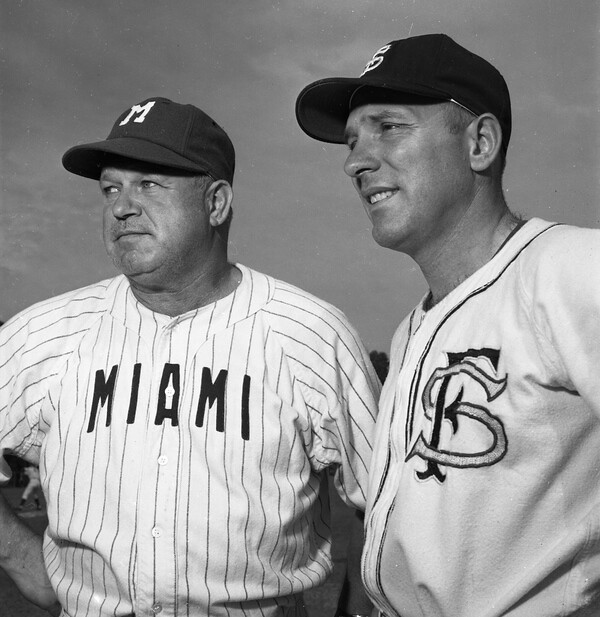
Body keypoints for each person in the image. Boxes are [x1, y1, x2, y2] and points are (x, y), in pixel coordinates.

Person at [0, 97, 380, 616]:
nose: (121, 206)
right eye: (111, 187)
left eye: (149, 185)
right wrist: (21, 560)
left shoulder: (310, 334)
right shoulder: (45, 333)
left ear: (216, 203)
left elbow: (383, 505)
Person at [295, 33, 600, 617]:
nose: (356, 160)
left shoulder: (567, 269)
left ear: (479, 143)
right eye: (354, 140)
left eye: (390, 127)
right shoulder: (415, 327)